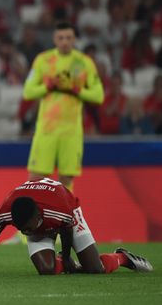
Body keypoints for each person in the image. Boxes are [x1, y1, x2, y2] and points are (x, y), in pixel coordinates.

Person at [0, 177, 153, 276]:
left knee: (95, 269)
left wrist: (66, 256)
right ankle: (70, 264)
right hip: (46, 217)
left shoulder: (60, 211)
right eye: (22, 230)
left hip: (69, 213)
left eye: (28, 228)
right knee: (46, 270)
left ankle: (122, 257)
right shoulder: (6, 211)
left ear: (37, 216)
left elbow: (66, 229)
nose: (26, 233)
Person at [22, 22, 103, 191]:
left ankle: (64, 216)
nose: (64, 42)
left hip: (71, 131)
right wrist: (49, 86)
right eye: (61, 38)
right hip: (46, 129)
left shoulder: (83, 63)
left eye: (68, 38)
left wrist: (76, 89)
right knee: (36, 178)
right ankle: (39, 215)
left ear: (74, 39)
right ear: (54, 39)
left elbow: (98, 95)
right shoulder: (43, 60)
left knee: (66, 179)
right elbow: (28, 92)